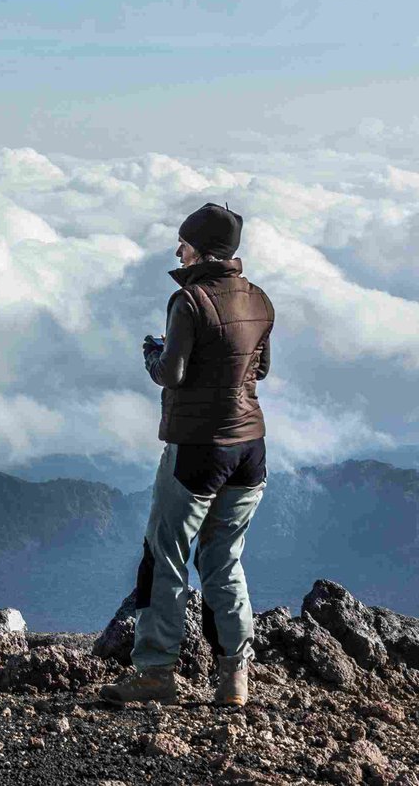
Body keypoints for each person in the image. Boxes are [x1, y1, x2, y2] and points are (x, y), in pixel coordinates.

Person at [99, 202, 274, 708]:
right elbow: (259, 371)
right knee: (225, 559)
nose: (178, 249)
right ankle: (234, 678)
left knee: (165, 556)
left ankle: (156, 672)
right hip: (250, 450)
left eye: (184, 242)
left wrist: (152, 352)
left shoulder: (189, 301)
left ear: (204, 248)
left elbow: (170, 374)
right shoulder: (260, 299)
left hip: (198, 447)